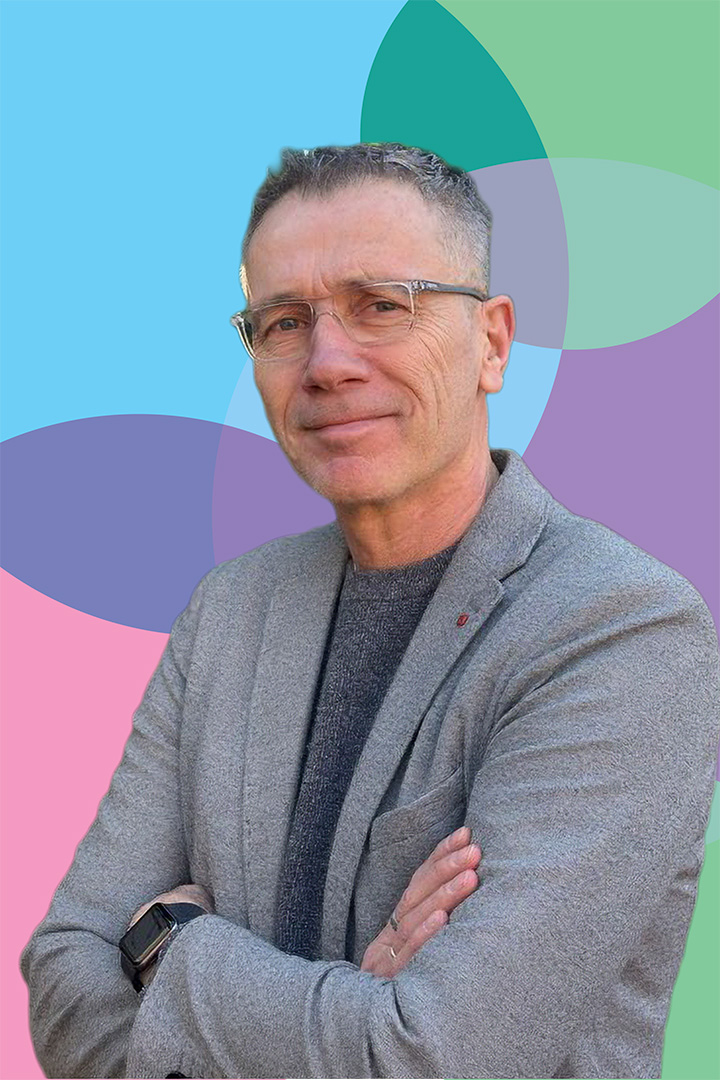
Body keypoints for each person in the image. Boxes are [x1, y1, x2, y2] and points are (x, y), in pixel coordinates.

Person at [21, 143, 720, 1080]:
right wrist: (355, 1004)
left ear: (493, 343)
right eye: (283, 321)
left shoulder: (619, 629)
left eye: (382, 304)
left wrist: (171, 945)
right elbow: (65, 976)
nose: (327, 362)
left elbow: (435, 1057)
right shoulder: (229, 612)